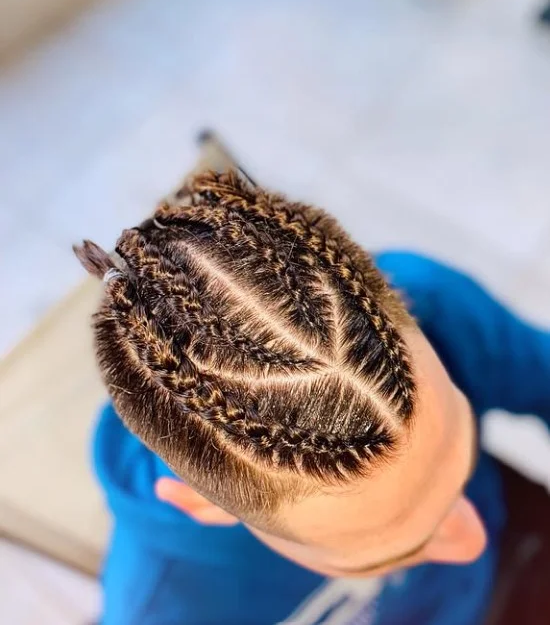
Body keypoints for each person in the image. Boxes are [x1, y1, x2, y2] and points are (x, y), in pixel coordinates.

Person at [74, 170, 550, 625]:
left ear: (399, 303)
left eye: (458, 455)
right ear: (203, 505)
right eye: (393, 552)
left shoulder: (437, 306)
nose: (474, 540)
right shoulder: (167, 609)